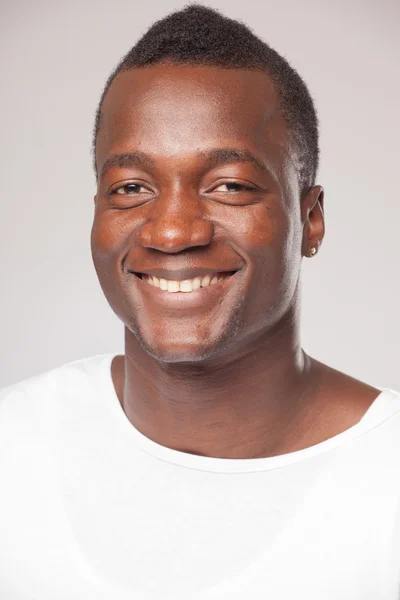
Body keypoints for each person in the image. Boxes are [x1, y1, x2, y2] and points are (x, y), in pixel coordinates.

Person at [0, 4, 399, 599]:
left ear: (310, 219)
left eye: (230, 185)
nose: (172, 231)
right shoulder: (14, 443)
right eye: (132, 188)